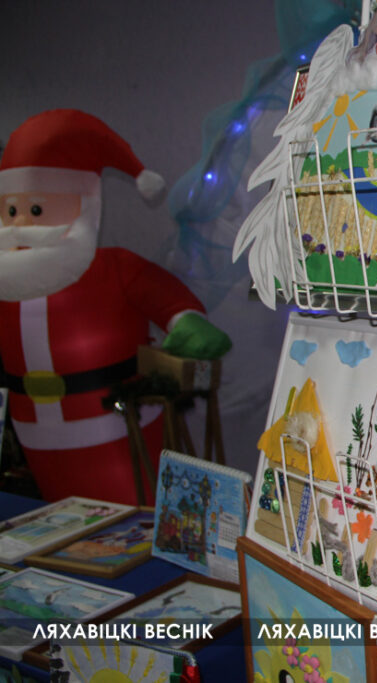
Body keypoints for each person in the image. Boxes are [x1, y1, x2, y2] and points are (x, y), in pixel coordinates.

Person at [0, 109, 231, 504]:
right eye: (10, 211)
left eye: (36, 210)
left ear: (84, 206)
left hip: (120, 429)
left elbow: (171, 302)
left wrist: (188, 324)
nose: (21, 224)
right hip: (35, 437)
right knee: (61, 520)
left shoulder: (117, 268)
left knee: (137, 518)